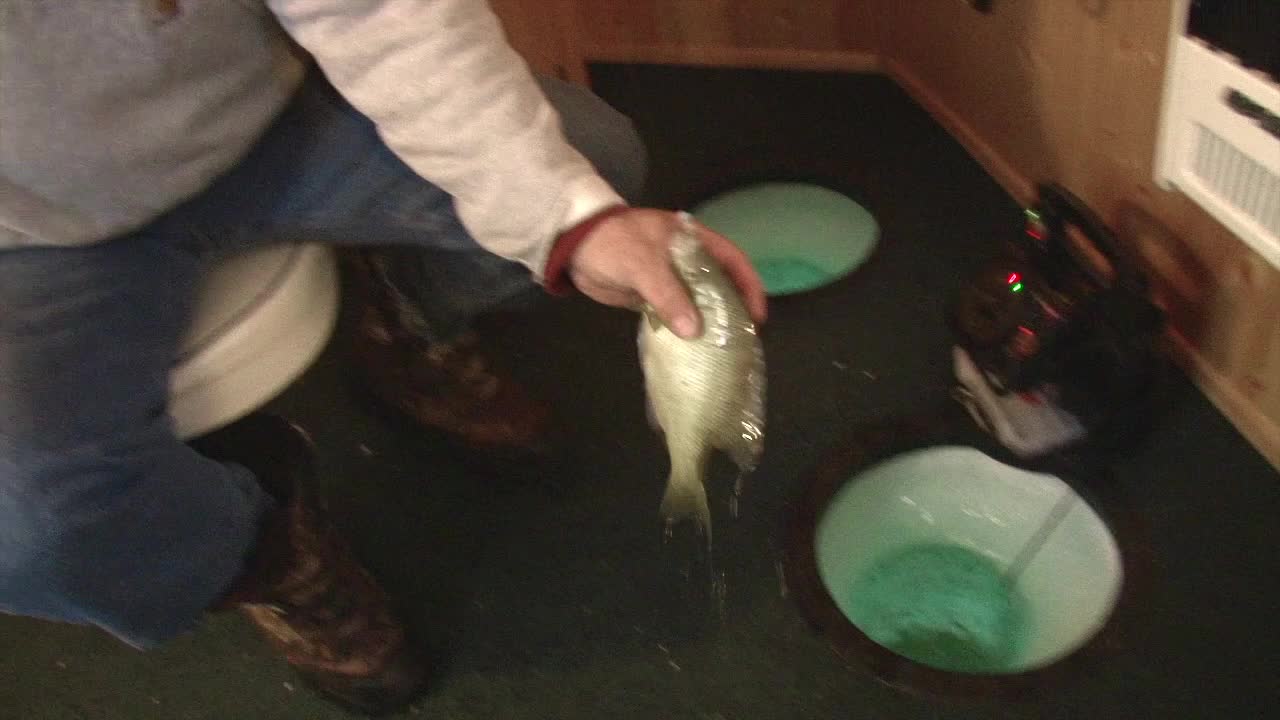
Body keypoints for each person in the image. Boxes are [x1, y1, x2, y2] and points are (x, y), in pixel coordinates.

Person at [0, 1, 767, 715]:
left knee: (594, 160)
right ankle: (271, 555)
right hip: (34, 233)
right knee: (32, 535)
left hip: (272, 120)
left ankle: (405, 324)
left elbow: (378, 10)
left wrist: (570, 218)